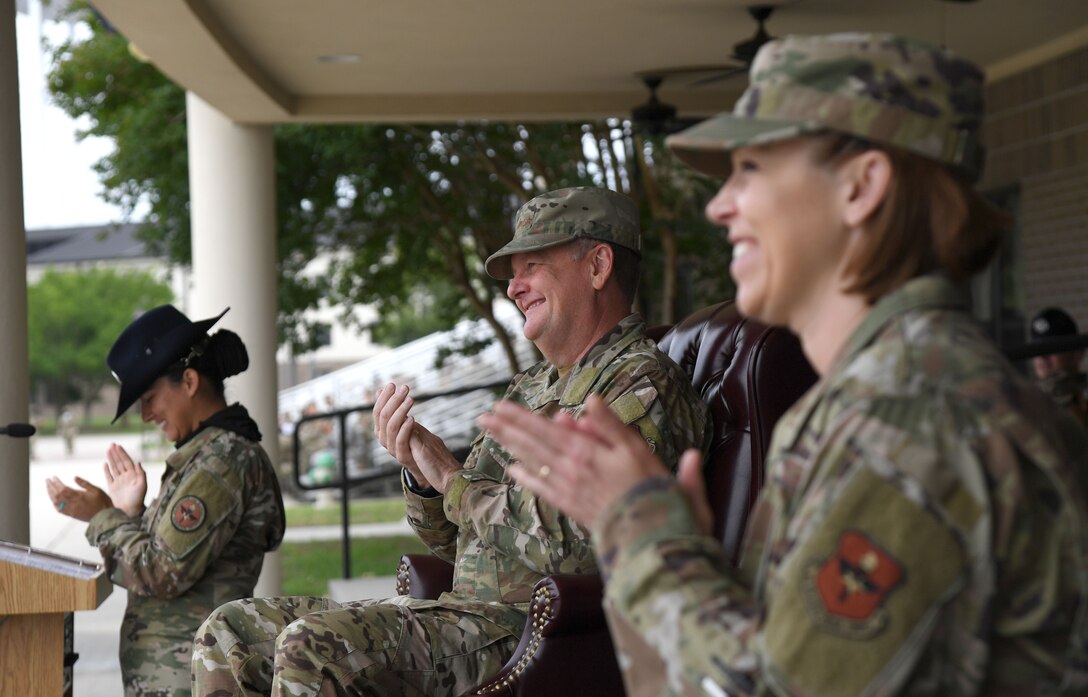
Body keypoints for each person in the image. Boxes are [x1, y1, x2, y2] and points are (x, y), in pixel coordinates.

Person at [481, 33, 1088, 696]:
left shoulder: (916, 423)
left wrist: (644, 534)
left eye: (752, 169)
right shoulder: (872, 403)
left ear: (861, 186)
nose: (719, 205)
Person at [190, 186, 711, 696]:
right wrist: (422, 475)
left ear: (598, 267)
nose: (513, 288)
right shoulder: (534, 386)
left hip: (531, 629)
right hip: (460, 617)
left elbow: (577, 548)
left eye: (532, 266)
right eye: (514, 274)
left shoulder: (639, 384)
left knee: (311, 646)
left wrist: (452, 479)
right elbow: (462, 540)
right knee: (230, 630)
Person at [46, 305, 286, 696]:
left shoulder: (221, 462)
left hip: (195, 682)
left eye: (150, 398)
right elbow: (171, 558)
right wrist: (131, 513)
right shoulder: (206, 456)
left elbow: (160, 572)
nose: (146, 415)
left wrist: (102, 517)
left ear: (188, 381)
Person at [1029, 306, 1088, 426]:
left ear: (1076, 354)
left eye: (1051, 349)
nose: (1041, 356)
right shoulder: (1026, 399)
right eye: (1035, 349)